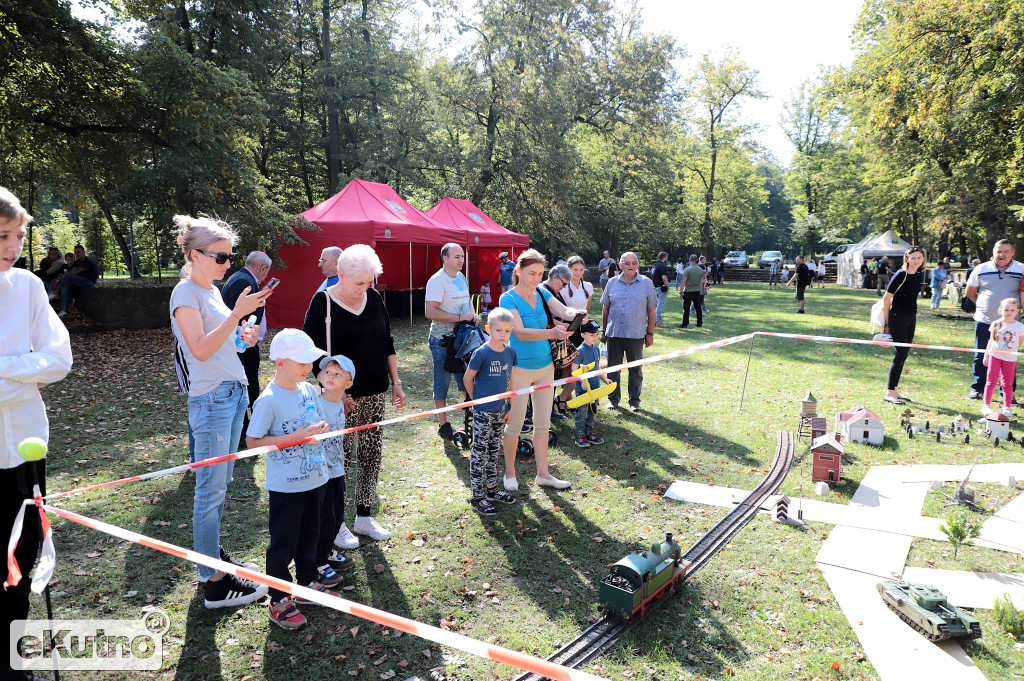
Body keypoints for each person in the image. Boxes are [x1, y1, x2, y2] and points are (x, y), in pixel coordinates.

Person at [169, 214, 272, 608]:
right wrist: (235, 315)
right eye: (221, 257)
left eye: (230, 257)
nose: (228, 264)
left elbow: (224, 348)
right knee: (209, 492)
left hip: (233, 394)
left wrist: (244, 338)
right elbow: (199, 349)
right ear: (195, 255)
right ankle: (212, 582)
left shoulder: (210, 291)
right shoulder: (185, 293)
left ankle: (211, 557)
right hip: (211, 399)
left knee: (220, 484)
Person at [0, 189, 73, 681]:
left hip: (26, 443)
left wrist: (4, 371)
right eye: (3, 236)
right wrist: (21, 375)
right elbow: (38, 367)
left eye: (19, 234)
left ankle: (15, 660)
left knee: (23, 553)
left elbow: (59, 358)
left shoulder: (25, 285)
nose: (14, 245)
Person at [302, 244, 406, 542]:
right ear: (341, 273)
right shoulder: (323, 302)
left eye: (370, 281)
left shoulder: (373, 297)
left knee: (371, 455)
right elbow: (311, 353)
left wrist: (396, 382)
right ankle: (336, 523)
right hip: (339, 400)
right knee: (339, 460)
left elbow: (388, 342)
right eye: (359, 282)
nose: (365, 287)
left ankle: (363, 516)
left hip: (375, 392)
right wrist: (331, 390)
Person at [247, 329, 337, 631]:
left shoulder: (309, 390)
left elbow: (318, 421)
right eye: (302, 362)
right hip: (286, 486)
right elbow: (252, 442)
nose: (308, 367)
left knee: (310, 536)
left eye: (310, 361)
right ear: (280, 362)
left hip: (316, 479)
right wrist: (294, 438)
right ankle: (279, 599)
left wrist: (320, 428)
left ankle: (308, 583)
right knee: (283, 544)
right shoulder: (269, 400)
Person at [499, 249, 581, 491]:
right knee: (514, 425)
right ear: (518, 271)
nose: (536, 278)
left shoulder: (543, 293)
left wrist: (575, 314)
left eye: (539, 274)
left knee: (543, 423)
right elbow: (520, 332)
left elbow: (563, 311)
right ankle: (510, 473)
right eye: (531, 273)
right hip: (519, 369)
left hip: (545, 368)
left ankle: (543, 474)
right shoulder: (508, 299)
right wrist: (553, 332)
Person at [462, 307, 519, 515]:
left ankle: (492, 490)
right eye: (498, 330)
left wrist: (510, 406)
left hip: (501, 411)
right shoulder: (481, 353)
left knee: (494, 451)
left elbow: (511, 380)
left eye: (507, 331)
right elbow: (467, 378)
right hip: (483, 412)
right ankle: (477, 496)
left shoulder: (511, 352)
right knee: (479, 452)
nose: (502, 335)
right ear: (488, 329)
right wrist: (477, 400)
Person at [424, 243, 479, 441]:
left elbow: (467, 303)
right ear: (444, 258)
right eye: (456, 256)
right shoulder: (437, 281)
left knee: (467, 379)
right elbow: (430, 312)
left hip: (463, 340)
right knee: (442, 383)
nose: (461, 260)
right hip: (442, 342)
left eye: (462, 256)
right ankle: (443, 424)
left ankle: (472, 417)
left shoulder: (461, 277)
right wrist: (460, 318)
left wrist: (473, 315)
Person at [221, 250, 273, 443]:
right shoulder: (245, 282)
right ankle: (245, 430)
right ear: (262, 268)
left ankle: (245, 429)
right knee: (247, 386)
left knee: (246, 385)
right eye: (267, 271)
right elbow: (240, 315)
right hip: (242, 343)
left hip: (241, 341)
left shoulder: (239, 276)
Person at [314, 354, 357, 578]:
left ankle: (327, 552)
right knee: (324, 518)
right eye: (327, 372)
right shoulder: (314, 403)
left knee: (337, 516)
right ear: (319, 375)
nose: (330, 376)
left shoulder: (340, 404)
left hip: (337, 469)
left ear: (348, 384)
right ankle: (318, 562)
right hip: (320, 474)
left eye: (338, 374)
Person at [965, 240, 1023, 400]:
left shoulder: (1021, 269)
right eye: (998, 251)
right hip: (984, 320)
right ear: (993, 252)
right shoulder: (981, 268)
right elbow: (970, 291)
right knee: (981, 355)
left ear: (1013, 253)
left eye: (1005, 251)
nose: (1001, 254)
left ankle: (1007, 393)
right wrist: (983, 305)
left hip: (1010, 324)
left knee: (1009, 356)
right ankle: (977, 389)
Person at [601, 251, 657, 412]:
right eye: (626, 263)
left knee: (636, 370)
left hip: (636, 334)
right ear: (620, 265)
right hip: (614, 333)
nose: (630, 266)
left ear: (638, 265)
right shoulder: (611, 283)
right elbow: (606, 309)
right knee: (613, 368)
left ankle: (634, 401)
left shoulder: (646, 283)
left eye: (633, 263)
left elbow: (652, 310)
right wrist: (604, 331)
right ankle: (613, 399)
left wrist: (650, 333)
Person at [881, 246, 927, 404]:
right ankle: (889, 392)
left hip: (911, 318)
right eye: (913, 258)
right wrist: (887, 323)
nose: (916, 261)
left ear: (923, 260)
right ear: (907, 258)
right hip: (897, 317)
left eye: (919, 258)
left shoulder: (919, 275)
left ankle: (894, 389)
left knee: (904, 353)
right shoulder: (901, 274)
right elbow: (886, 298)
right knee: (900, 353)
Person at [557, 256, 594, 407]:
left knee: (580, 364)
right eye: (575, 270)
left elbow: (587, 307)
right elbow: (560, 309)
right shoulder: (564, 287)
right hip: (567, 327)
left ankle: (563, 397)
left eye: (581, 270)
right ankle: (566, 398)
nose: (578, 273)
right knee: (567, 364)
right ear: (568, 269)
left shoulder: (589, 286)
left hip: (582, 328)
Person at [981, 298, 1024, 417]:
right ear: (1001, 310)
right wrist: (986, 354)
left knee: (1007, 384)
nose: (1009, 312)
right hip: (995, 356)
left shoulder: (1020, 326)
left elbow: (1020, 342)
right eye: (1006, 309)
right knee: (991, 381)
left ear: (1017, 311)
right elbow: (991, 340)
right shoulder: (996, 323)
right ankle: (986, 405)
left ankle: (1007, 407)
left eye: (1012, 310)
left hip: (1010, 359)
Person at [572, 320, 610, 448]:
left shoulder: (596, 349)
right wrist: (582, 381)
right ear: (583, 335)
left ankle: (589, 433)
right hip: (583, 390)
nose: (595, 337)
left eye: (596, 334)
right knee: (582, 413)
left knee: (591, 412)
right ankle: (580, 436)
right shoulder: (579, 350)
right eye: (592, 334)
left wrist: (605, 380)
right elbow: (574, 369)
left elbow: (597, 367)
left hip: (595, 389)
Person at [57, 243, 99, 317]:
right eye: (75, 252)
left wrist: (59, 281)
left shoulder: (89, 261)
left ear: (84, 252)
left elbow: (73, 273)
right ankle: (63, 309)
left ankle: (55, 292)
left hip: (88, 282)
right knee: (65, 287)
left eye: (79, 252)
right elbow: (72, 273)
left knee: (67, 276)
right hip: (78, 281)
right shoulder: (76, 262)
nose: (77, 254)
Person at [678, 254, 704, 329]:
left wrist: (681, 291)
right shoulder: (700, 270)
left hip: (688, 290)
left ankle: (685, 323)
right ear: (696, 260)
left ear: (689, 259)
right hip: (696, 291)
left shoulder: (687, 269)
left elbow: (683, 281)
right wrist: (699, 289)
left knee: (686, 308)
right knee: (698, 307)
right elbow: (701, 282)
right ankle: (699, 322)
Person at [651, 251, 671, 328]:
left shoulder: (655, 265)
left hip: (655, 286)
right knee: (660, 304)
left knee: (655, 305)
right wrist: (667, 286)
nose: (667, 259)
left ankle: (653, 320)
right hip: (661, 287)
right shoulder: (662, 266)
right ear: (664, 257)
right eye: (666, 257)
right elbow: (664, 277)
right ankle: (658, 321)